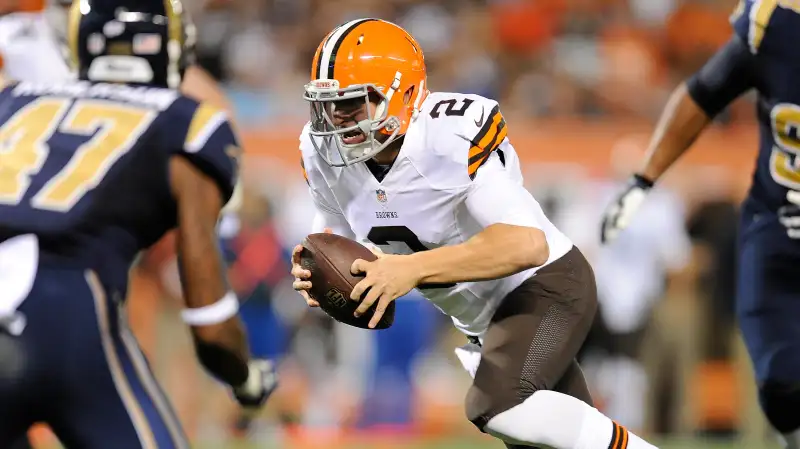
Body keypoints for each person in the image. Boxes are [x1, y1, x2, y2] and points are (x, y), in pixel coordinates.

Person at [290, 18, 659, 449]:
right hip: (483, 321)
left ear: (405, 93)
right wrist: (316, 273)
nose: (338, 119)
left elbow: (526, 243)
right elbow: (332, 237)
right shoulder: (322, 153)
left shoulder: (448, 138)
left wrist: (410, 269)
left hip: (546, 287)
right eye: (330, 104)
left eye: (354, 103)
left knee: (497, 405)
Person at [0, 0, 277, 447]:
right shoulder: (189, 122)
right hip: (67, 304)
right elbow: (210, 323)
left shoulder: (12, 99)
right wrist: (245, 377)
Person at [599, 1, 800, 447]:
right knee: (782, 383)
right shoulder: (773, 27)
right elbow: (702, 93)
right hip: (782, 224)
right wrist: (645, 177)